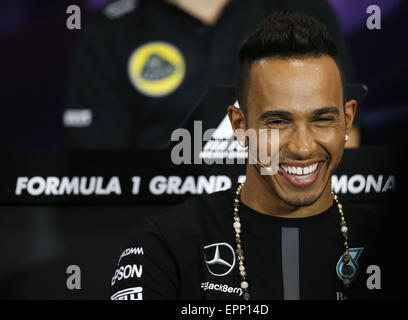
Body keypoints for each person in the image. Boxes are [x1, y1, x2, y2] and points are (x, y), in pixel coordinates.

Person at [110, 12, 381, 300]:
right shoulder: (167, 245)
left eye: (322, 119)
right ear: (240, 125)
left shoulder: (394, 242)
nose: (303, 147)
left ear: (348, 120)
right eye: (278, 122)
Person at [65, 0, 360, 149]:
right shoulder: (109, 32)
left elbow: (345, 139)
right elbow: (97, 177)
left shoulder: (304, 9)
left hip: (290, 229)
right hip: (159, 242)